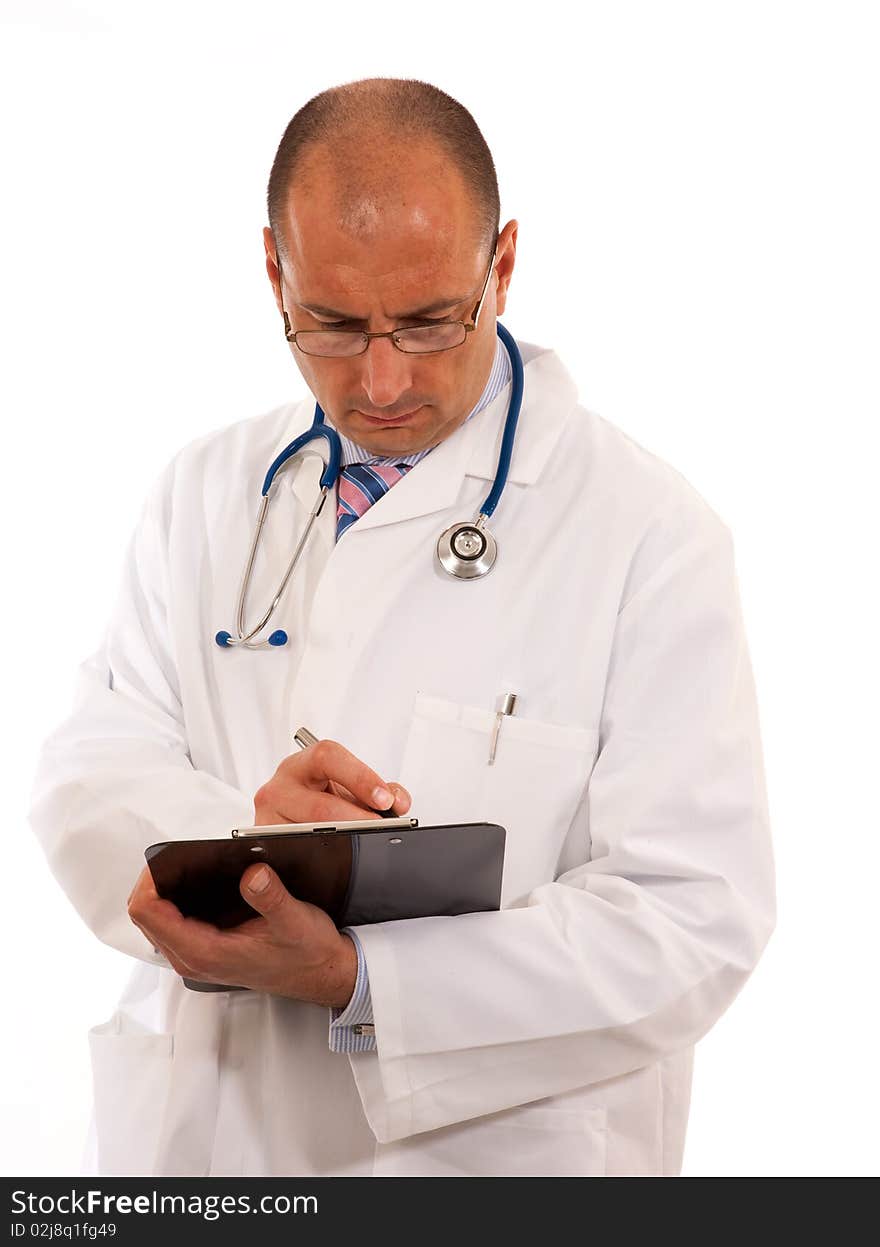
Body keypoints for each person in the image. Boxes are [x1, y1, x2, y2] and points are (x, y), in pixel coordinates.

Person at [29, 77, 776, 1178]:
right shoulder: (204, 490)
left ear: (502, 265)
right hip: (205, 1157)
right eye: (331, 323)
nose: (381, 379)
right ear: (273, 271)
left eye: (429, 320)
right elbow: (90, 769)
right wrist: (251, 851)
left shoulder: (648, 533)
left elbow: (692, 917)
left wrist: (358, 979)